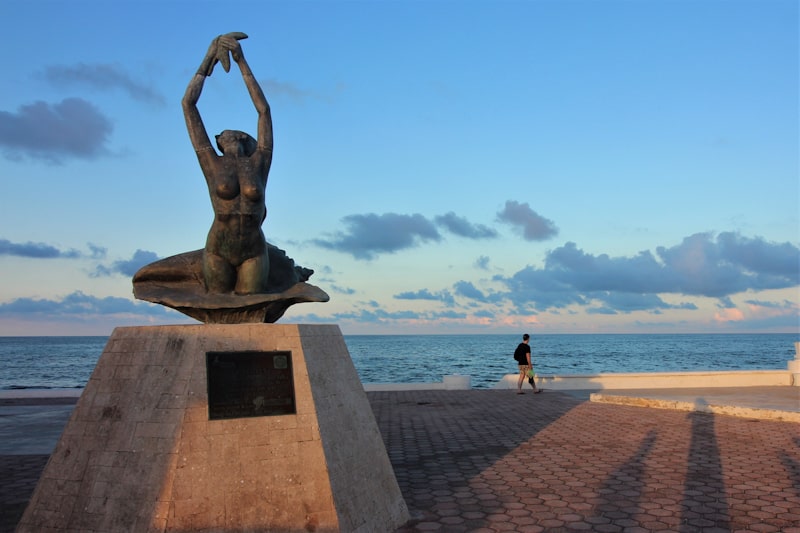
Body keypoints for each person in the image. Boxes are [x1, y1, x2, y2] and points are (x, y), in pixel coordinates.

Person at [182, 33, 273, 295]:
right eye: (219, 136)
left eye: (224, 132)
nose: (219, 136)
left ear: (242, 137)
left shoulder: (259, 162)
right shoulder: (211, 161)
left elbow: (264, 111)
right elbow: (188, 105)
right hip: (218, 249)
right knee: (218, 306)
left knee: (251, 308)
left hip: (253, 251)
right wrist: (208, 57)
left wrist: (241, 61)